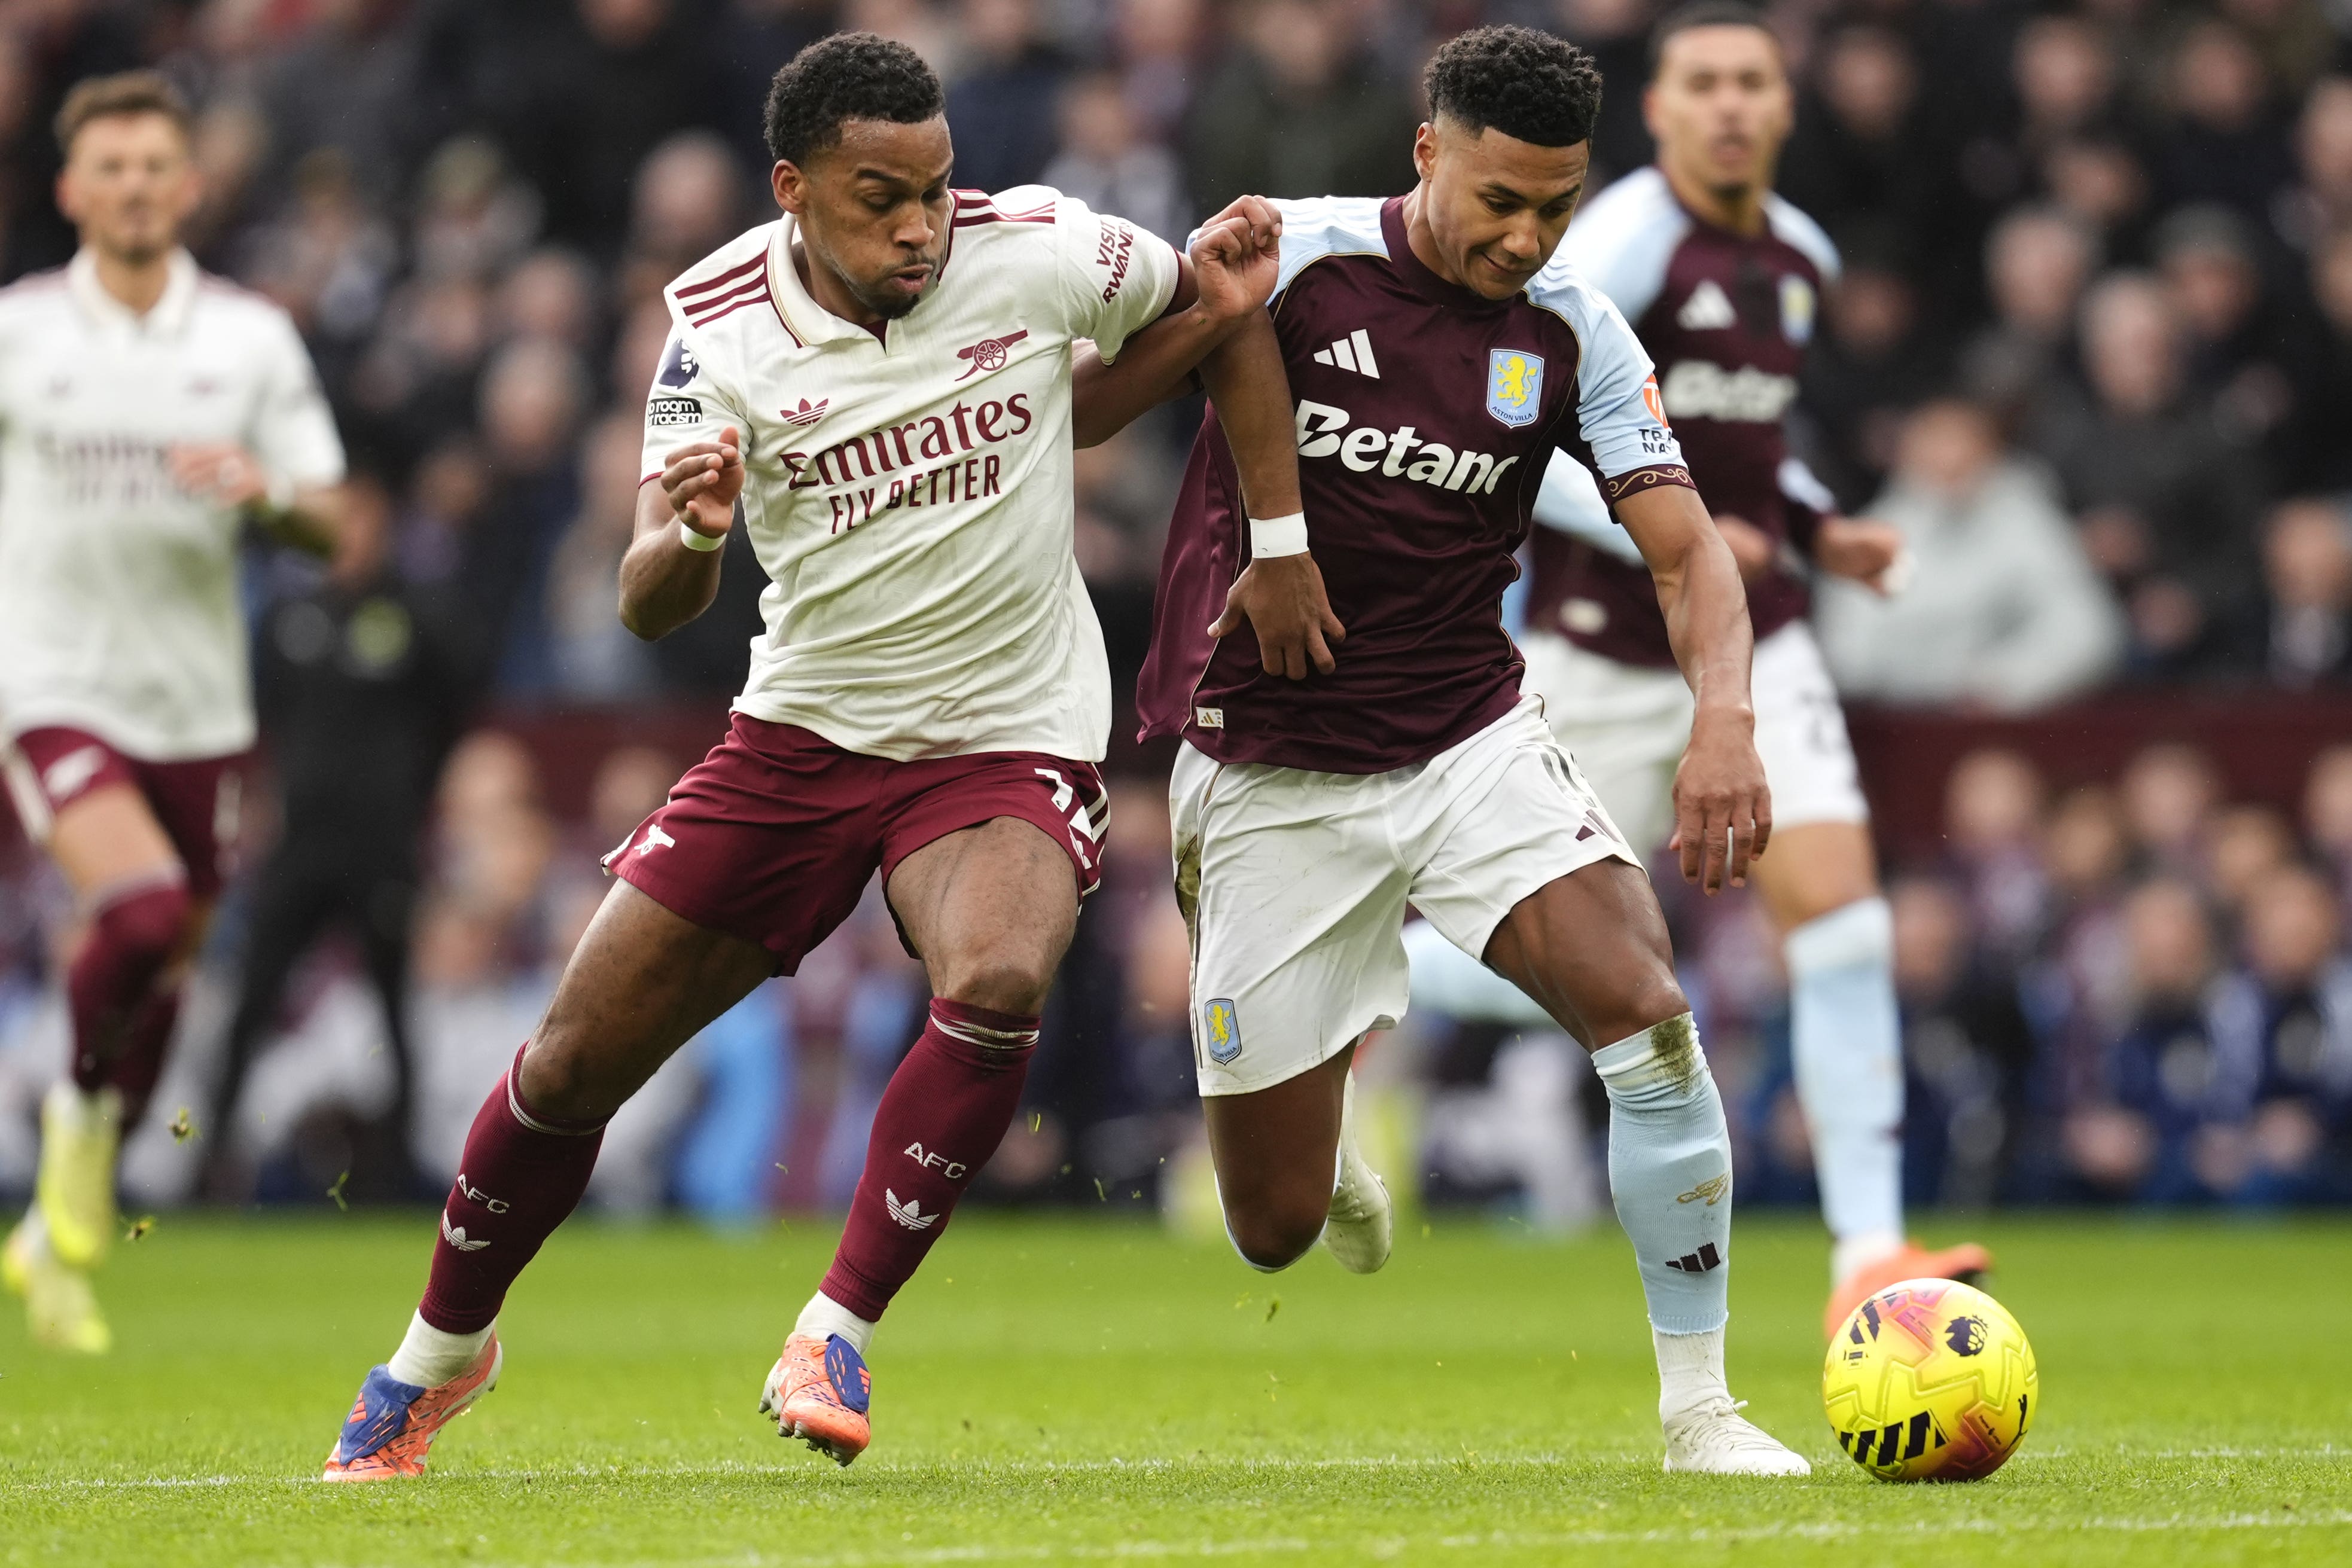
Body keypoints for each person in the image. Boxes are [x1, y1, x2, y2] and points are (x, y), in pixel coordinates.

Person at [318, 32, 1300, 1481]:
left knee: (1002, 973)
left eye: (934, 187)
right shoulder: (711, 322)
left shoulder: (1038, 247)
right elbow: (647, 593)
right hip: (801, 735)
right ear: (792, 187)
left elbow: (1193, 336)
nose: (918, 225)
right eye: (878, 196)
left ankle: (834, 1325)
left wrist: (1255, 465)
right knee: (571, 1064)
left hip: (1001, 728)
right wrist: (692, 529)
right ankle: (437, 1355)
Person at [1089, 23, 1806, 1475]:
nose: (1527, 235)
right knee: (1275, 1227)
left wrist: (1723, 720)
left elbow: (1688, 554)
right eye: (1500, 201)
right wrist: (1236, 441)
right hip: (1270, 768)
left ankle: (1700, 1411)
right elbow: (1092, 408)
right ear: (1426, 154)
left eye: (1556, 203)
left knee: (1645, 1009)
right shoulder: (1287, 254)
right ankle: (1337, 1100)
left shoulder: (1574, 332)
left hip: (1464, 734)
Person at [1399, 4, 1991, 1338]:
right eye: (1702, 85)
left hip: (1755, 637)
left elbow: (1735, 438)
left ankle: (1867, 1249)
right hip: (1599, 655)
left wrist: (1812, 522)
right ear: (1658, 116)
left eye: (1751, 84)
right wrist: (1657, 516)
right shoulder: (1614, 243)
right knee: (1526, 954)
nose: (1729, 106)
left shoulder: (1798, 255)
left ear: (1784, 108)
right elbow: (1524, 441)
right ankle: (1360, 976)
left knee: (1839, 920)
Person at [0, 72, 349, 1353]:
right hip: (48, 683)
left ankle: (52, 1229)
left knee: (168, 974)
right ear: (73, 190)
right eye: (114, 166)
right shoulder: (21, 331)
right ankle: (77, 1139)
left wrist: (266, 492)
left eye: (158, 165)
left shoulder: (248, 339)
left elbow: (334, 515)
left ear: (190, 187)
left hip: (200, 707)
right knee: (136, 911)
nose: (137, 185)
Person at [205, 475, 478, 1202]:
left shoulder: (415, 616)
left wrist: (412, 797)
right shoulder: (289, 619)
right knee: (252, 1000)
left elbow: (454, 712)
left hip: (381, 848)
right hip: (300, 846)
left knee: (395, 1008)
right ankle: (209, 1165)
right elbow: (265, 721)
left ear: (382, 526)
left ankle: (400, 1172)